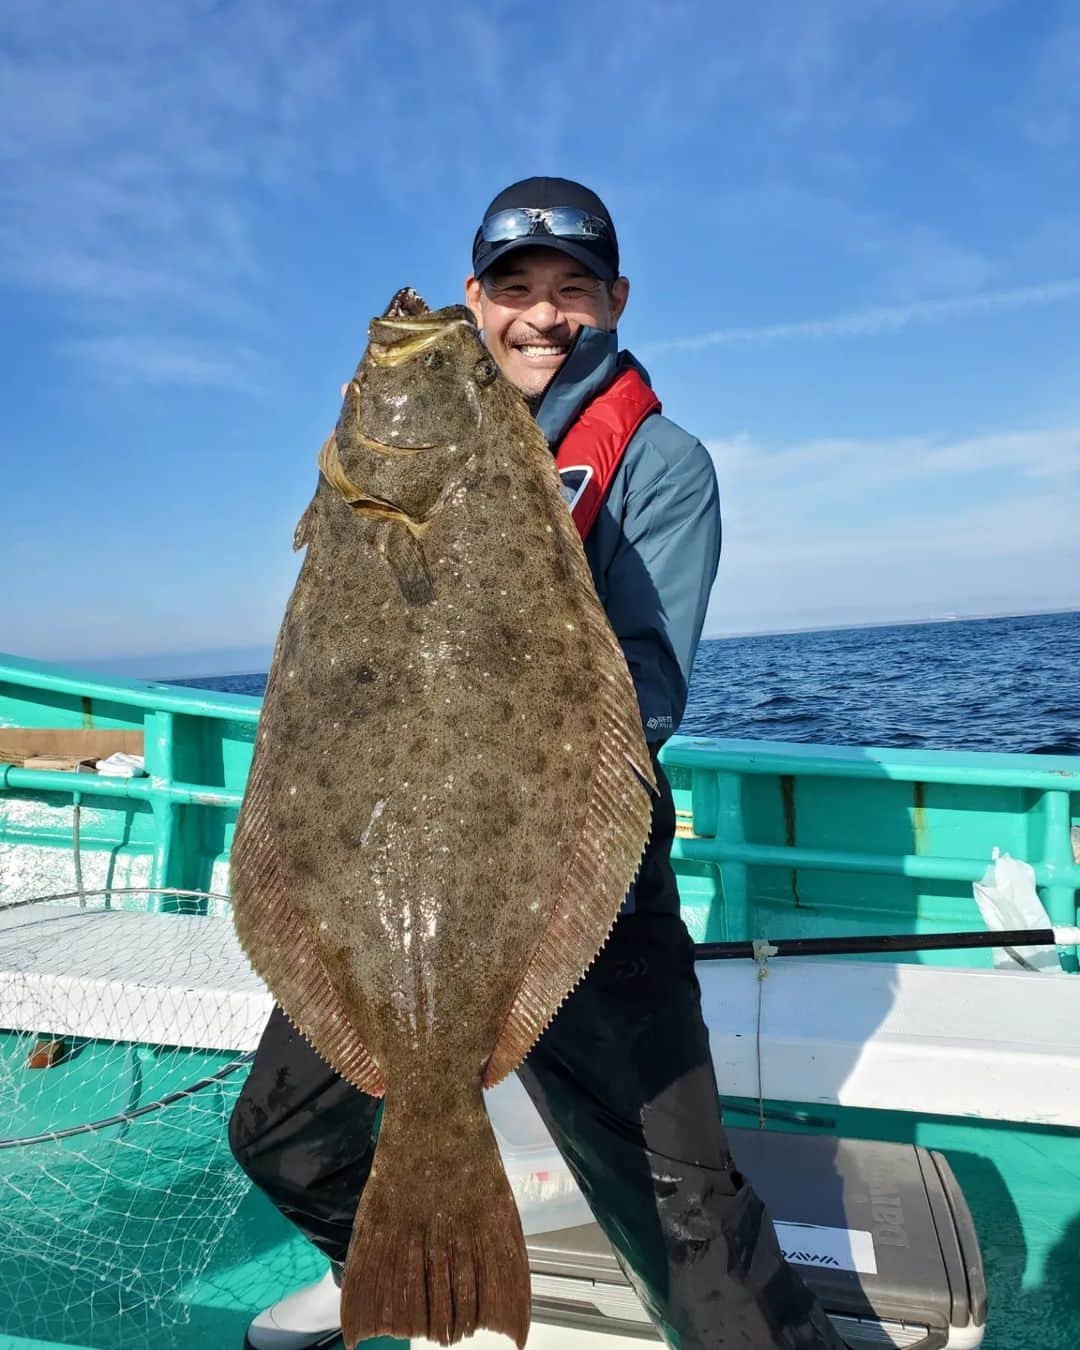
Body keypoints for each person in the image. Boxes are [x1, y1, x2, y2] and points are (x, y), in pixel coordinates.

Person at [230, 177, 847, 1350]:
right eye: (514, 293)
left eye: (574, 292)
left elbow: (645, 689)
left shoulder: (659, 465)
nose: (543, 317)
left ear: (615, 302)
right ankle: (390, 1265)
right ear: (476, 301)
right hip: (384, 872)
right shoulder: (402, 455)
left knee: (689, 1219)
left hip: (570, 868)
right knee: (281, 1132)